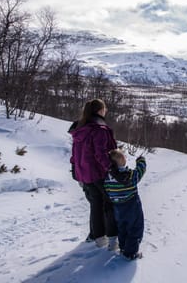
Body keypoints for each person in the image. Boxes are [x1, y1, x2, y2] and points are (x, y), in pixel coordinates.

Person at [69, 99, 118, 249]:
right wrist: (111, 168)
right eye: (105, 108)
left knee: (96, 205)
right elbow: (100, 153)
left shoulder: (81, 128)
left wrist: (75, 169)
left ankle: (98, 238)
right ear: (100, 110)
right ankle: (112, 240)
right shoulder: (99, 129)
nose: (106, 110)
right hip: (99, 173)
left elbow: (75, 153)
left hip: (84, 174)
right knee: (110, 204)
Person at [104, 149, 146, 260]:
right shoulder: (130, 175)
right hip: (132, 206)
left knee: (122, 228)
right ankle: (130, 253)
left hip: (118, 207)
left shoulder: (107, 178)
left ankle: (123, 247)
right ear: (123, 161)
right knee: (135, 228)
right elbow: (140, 171)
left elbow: (108, 190)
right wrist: (141, 161)